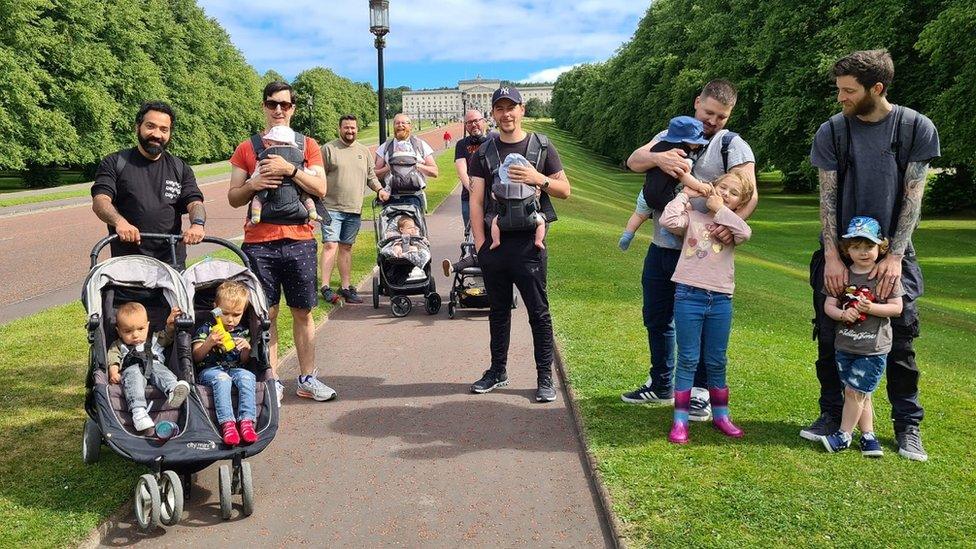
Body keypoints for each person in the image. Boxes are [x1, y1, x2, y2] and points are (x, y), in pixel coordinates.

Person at [806, 50, 939, 461]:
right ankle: (832, 416)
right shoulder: (833, 131)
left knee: (899, 343)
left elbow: (912, 199)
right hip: (840, 254)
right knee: (831, 338)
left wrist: (894, 257)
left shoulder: (915, 127)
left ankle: (907, 427)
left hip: (893, 255)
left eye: (849, 91)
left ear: (876, 89)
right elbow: (828, 198)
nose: (840, 98)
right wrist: (831, 256)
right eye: (839, 89)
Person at [620, 80, 758, 422]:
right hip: (661, 245)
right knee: (656, 316)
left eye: (721, 116)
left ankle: (699, 393)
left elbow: (749, 192)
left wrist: (729, 223)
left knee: (695, 324)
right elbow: (634, 161)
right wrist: (658, 156)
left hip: (700, 255)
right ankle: (662, 383)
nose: (713, 121)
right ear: (697, 102)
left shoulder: (732, 145)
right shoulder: (671, 131)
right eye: (708, 112)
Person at [227, 81, 336, 403]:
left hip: (300, 239)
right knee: (267, 314)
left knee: (303, 312)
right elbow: (234, 197)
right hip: (260, 242)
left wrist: (290, 169)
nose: (278, 110)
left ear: (293, 108)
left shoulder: (307, 145)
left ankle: (307, 377)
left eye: (284, 105)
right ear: (263, 106)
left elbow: (320, 188)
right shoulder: (247, 148)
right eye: (272, 104)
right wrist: (254, 183)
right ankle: (271, 379)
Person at [468, 86, 571, 402]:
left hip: (530, 245)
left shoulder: (541, 147)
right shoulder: (485, 152)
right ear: (494, 114)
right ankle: (497, 371)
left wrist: (537, 178)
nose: (506, 114)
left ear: (521, 109)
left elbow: (564, 190)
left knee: (538, 312)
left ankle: (544, 377)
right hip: (496, 246)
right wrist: (481, 245)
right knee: (498, 311)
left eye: (511, 107)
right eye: (499, 108)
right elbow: (476, 199)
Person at [659, 172, 754, 444]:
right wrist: (686, 194)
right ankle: (680, 420)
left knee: (716, 360)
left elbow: (745, 232)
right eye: (722, 187)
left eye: (733, 193)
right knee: (688, 358)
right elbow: (668, 220)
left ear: (740, 203)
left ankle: (721, 416)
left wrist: (720, 209)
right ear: (713, 187)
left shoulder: (732, 225)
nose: (725, 193)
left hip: (721, 298)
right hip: (688, 295)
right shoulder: (694, 217)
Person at [820, 217, 903, 457]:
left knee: (855, 392)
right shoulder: (842, 276)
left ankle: (844, 435)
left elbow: (896, 308)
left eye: (869, 246)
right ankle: (869, 437)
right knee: (857, 392)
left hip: (873, 347)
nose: (863, 252)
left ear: (881, 248)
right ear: (847, 250)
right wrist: (843, 314)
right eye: (856, 247)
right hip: (845, 344)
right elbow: (829, 306)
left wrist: (871, 308)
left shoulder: (885, 277)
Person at [92, 101, 206, 269]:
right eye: (150, 126)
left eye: (164, 129)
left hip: (172, 263)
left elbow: (195, 203)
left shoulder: (180, 167)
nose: (157, 134)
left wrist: (197, 224)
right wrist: (120, 223)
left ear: (170, 133)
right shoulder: (115, 162)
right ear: (137, 127)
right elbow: (100, 200)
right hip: (129, 264)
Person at [319, 115, 385, 305]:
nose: (350, 131)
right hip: (331, 207)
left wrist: (380, 190)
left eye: (353, 128)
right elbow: (318, 176)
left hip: (353, 209)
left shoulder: (363, 151)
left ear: (357, 129)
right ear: (340, 129)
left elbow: (371, 177)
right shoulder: (329, 149)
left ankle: (346, 287)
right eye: (346, 128)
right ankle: (325, 286)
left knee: (346, 248)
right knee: (330, 245)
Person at [619, 116, 711, 251]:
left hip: (646, 193)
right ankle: (667, 231)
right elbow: (684, 177)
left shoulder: (657, 148)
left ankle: (627, 234)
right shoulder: (682, 155)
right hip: (665, 196)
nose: (698, 145)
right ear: (686, 140)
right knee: (686, 208)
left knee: (639, 215)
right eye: (696, 141)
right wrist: (700, 186)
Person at [192, 281, 259, 447]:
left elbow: (243, 361)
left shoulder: (241, 332)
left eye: (236, 315)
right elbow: (196, 356)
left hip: (235, 368)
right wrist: (209, 343)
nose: (230, 320)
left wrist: (246, 349)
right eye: (225, 313)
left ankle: (246, 421)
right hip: (210, 371)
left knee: (247, 376)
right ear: (215, 309)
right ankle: (228, 424)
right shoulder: (206, 329)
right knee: (223, 379)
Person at [107, 303, 191, 432]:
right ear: (119, 331)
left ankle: (173, 390)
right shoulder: (118, 346)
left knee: (161, 370)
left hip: (154, 367)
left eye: (140, 329)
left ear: (147, 326)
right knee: (133, 375)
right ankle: (139, 413)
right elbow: (113, 359)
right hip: (132, 370)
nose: (135, 335)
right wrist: (113, 372)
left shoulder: (154, 340)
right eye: (128, 331)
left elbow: (167, 336)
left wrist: (169, 325)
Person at [248, 125, 322, 225]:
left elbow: (257, 172)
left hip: (269, 191)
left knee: (258, 198)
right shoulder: (296, 155)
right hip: (294, 192)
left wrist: (251, 182)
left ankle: (256, 215)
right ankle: (312, 211)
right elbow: (304, 169)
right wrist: (311, 173)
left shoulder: (266, 156)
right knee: (306, 197)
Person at [375, 113, 438, 212]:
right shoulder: (385, 147)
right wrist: (389, 168)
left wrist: (415, 165)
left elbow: (434, 172)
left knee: (413, 227)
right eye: (397, 123)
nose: (400, 125)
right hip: (391, 197)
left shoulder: (420, 145)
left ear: (410, 126)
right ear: (393, 127)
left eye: (404, 123)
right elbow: (375, 174)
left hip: (414, 197)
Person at [455, 110, 491, 230]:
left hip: (492, 195)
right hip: (469, 196)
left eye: (476, 121)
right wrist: (473, 190)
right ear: (465, 126)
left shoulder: (494, 139)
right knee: (471, 233)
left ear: (483, 121)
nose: (473, 125)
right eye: (469, 122)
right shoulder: (461, 144)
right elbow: (461, 170)